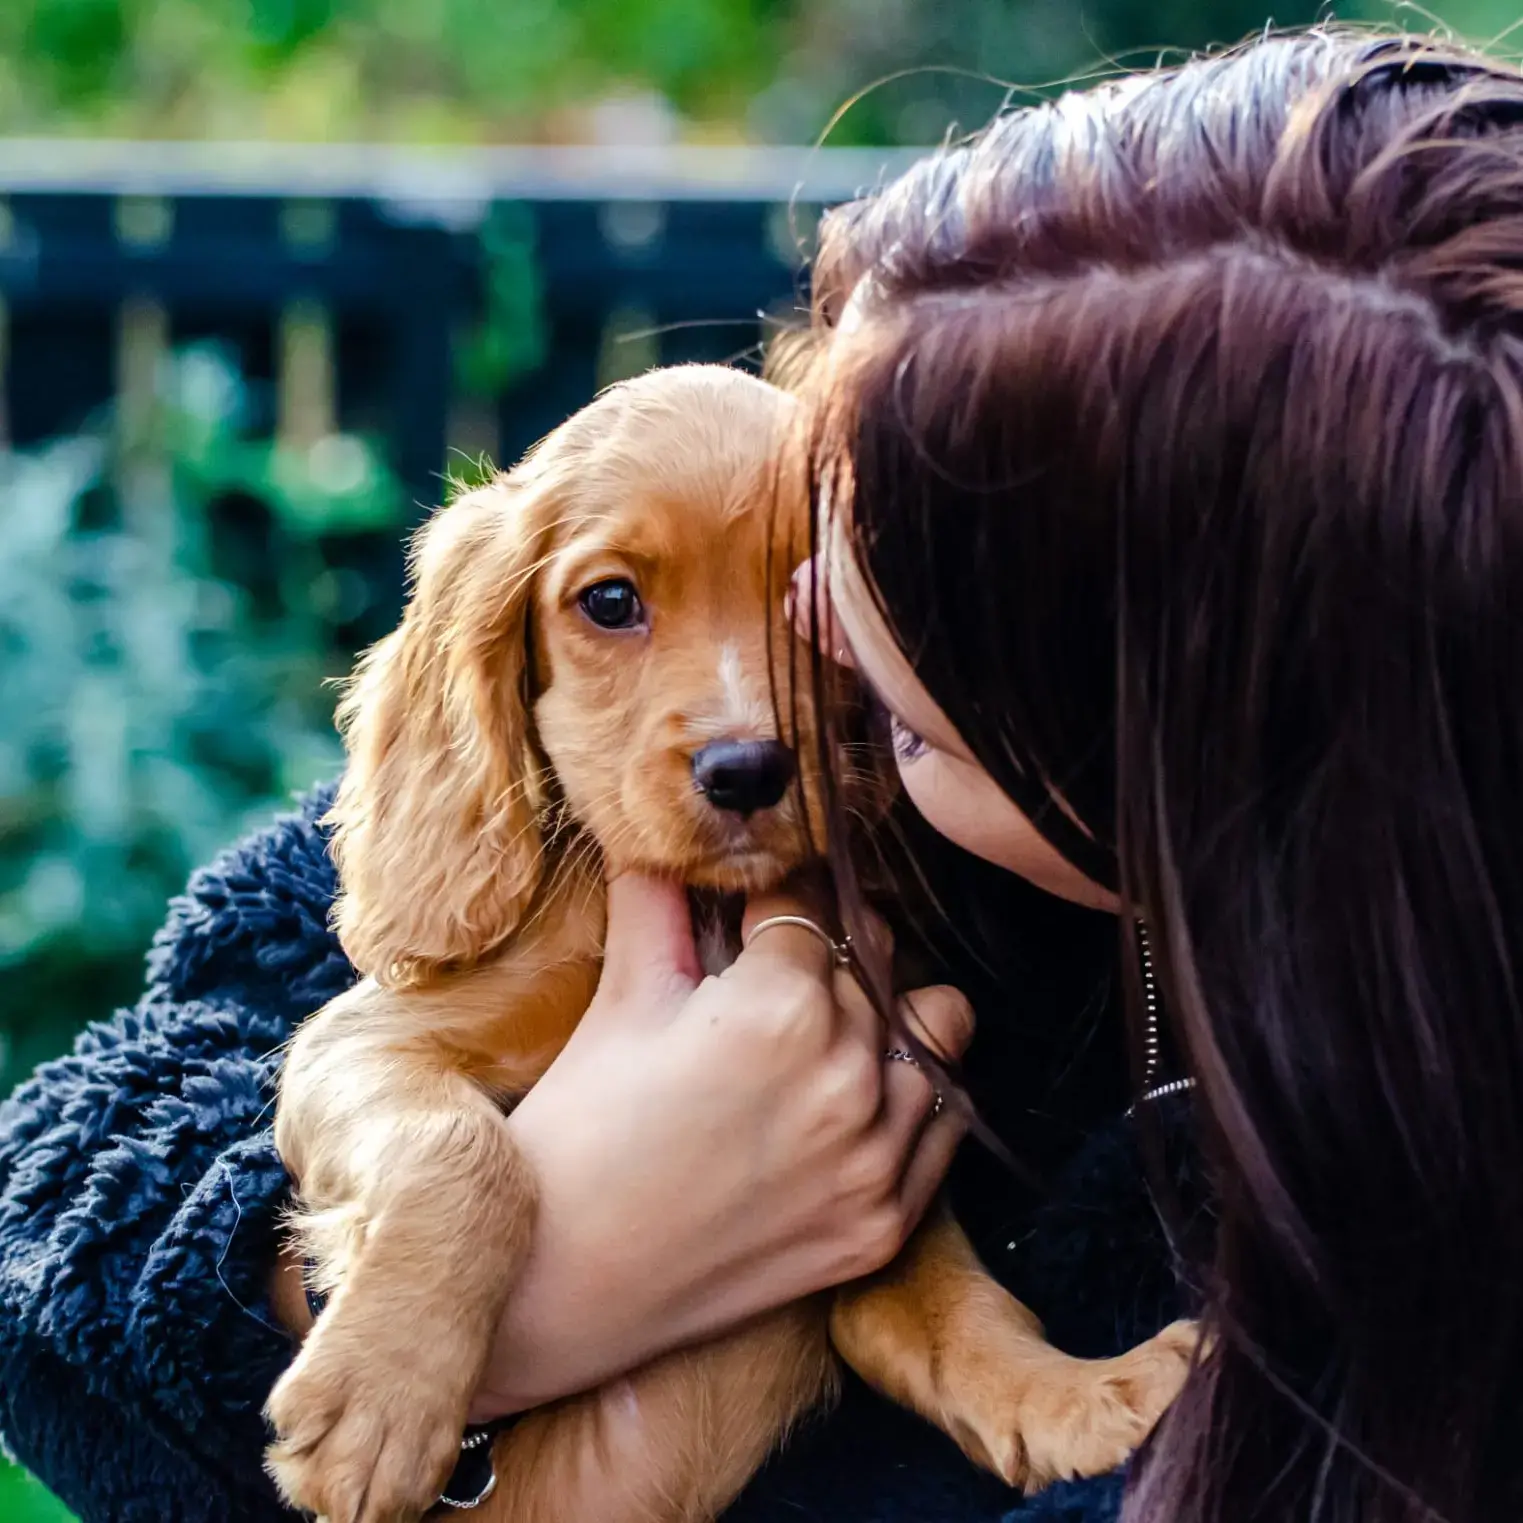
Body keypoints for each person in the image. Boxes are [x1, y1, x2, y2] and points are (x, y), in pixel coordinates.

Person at [3, 25, 1520, 1523]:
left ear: (1190, 690)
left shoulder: (1399, 1314)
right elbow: (64, 1207)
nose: (790, 645)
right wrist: (536, 1280)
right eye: (617, 603)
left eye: (890, 544)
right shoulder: (573, 816)